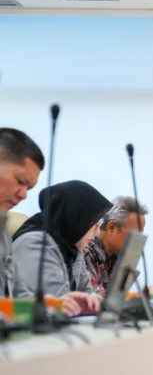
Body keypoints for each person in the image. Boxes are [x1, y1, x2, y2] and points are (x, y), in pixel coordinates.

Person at [0, 129, 98, 316]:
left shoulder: (2, 229)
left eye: (29, 188)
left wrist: (54, 303)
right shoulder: (35, 240)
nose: (23, 195)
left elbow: (19, 296)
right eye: (20, 181)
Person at [12, 180, 112, 300]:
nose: (96, 232)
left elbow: (86, 295)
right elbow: (57, 301)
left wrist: (97, 302)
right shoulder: (34, 244)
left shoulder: (72, 247)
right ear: (77, 217)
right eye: (94, 223)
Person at [83, 196, 148, 296]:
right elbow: (93, 300)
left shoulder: (116, 254)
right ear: (111, 228)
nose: (137, 242)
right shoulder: (86, 252)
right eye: (134, 234)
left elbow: (116, 299)